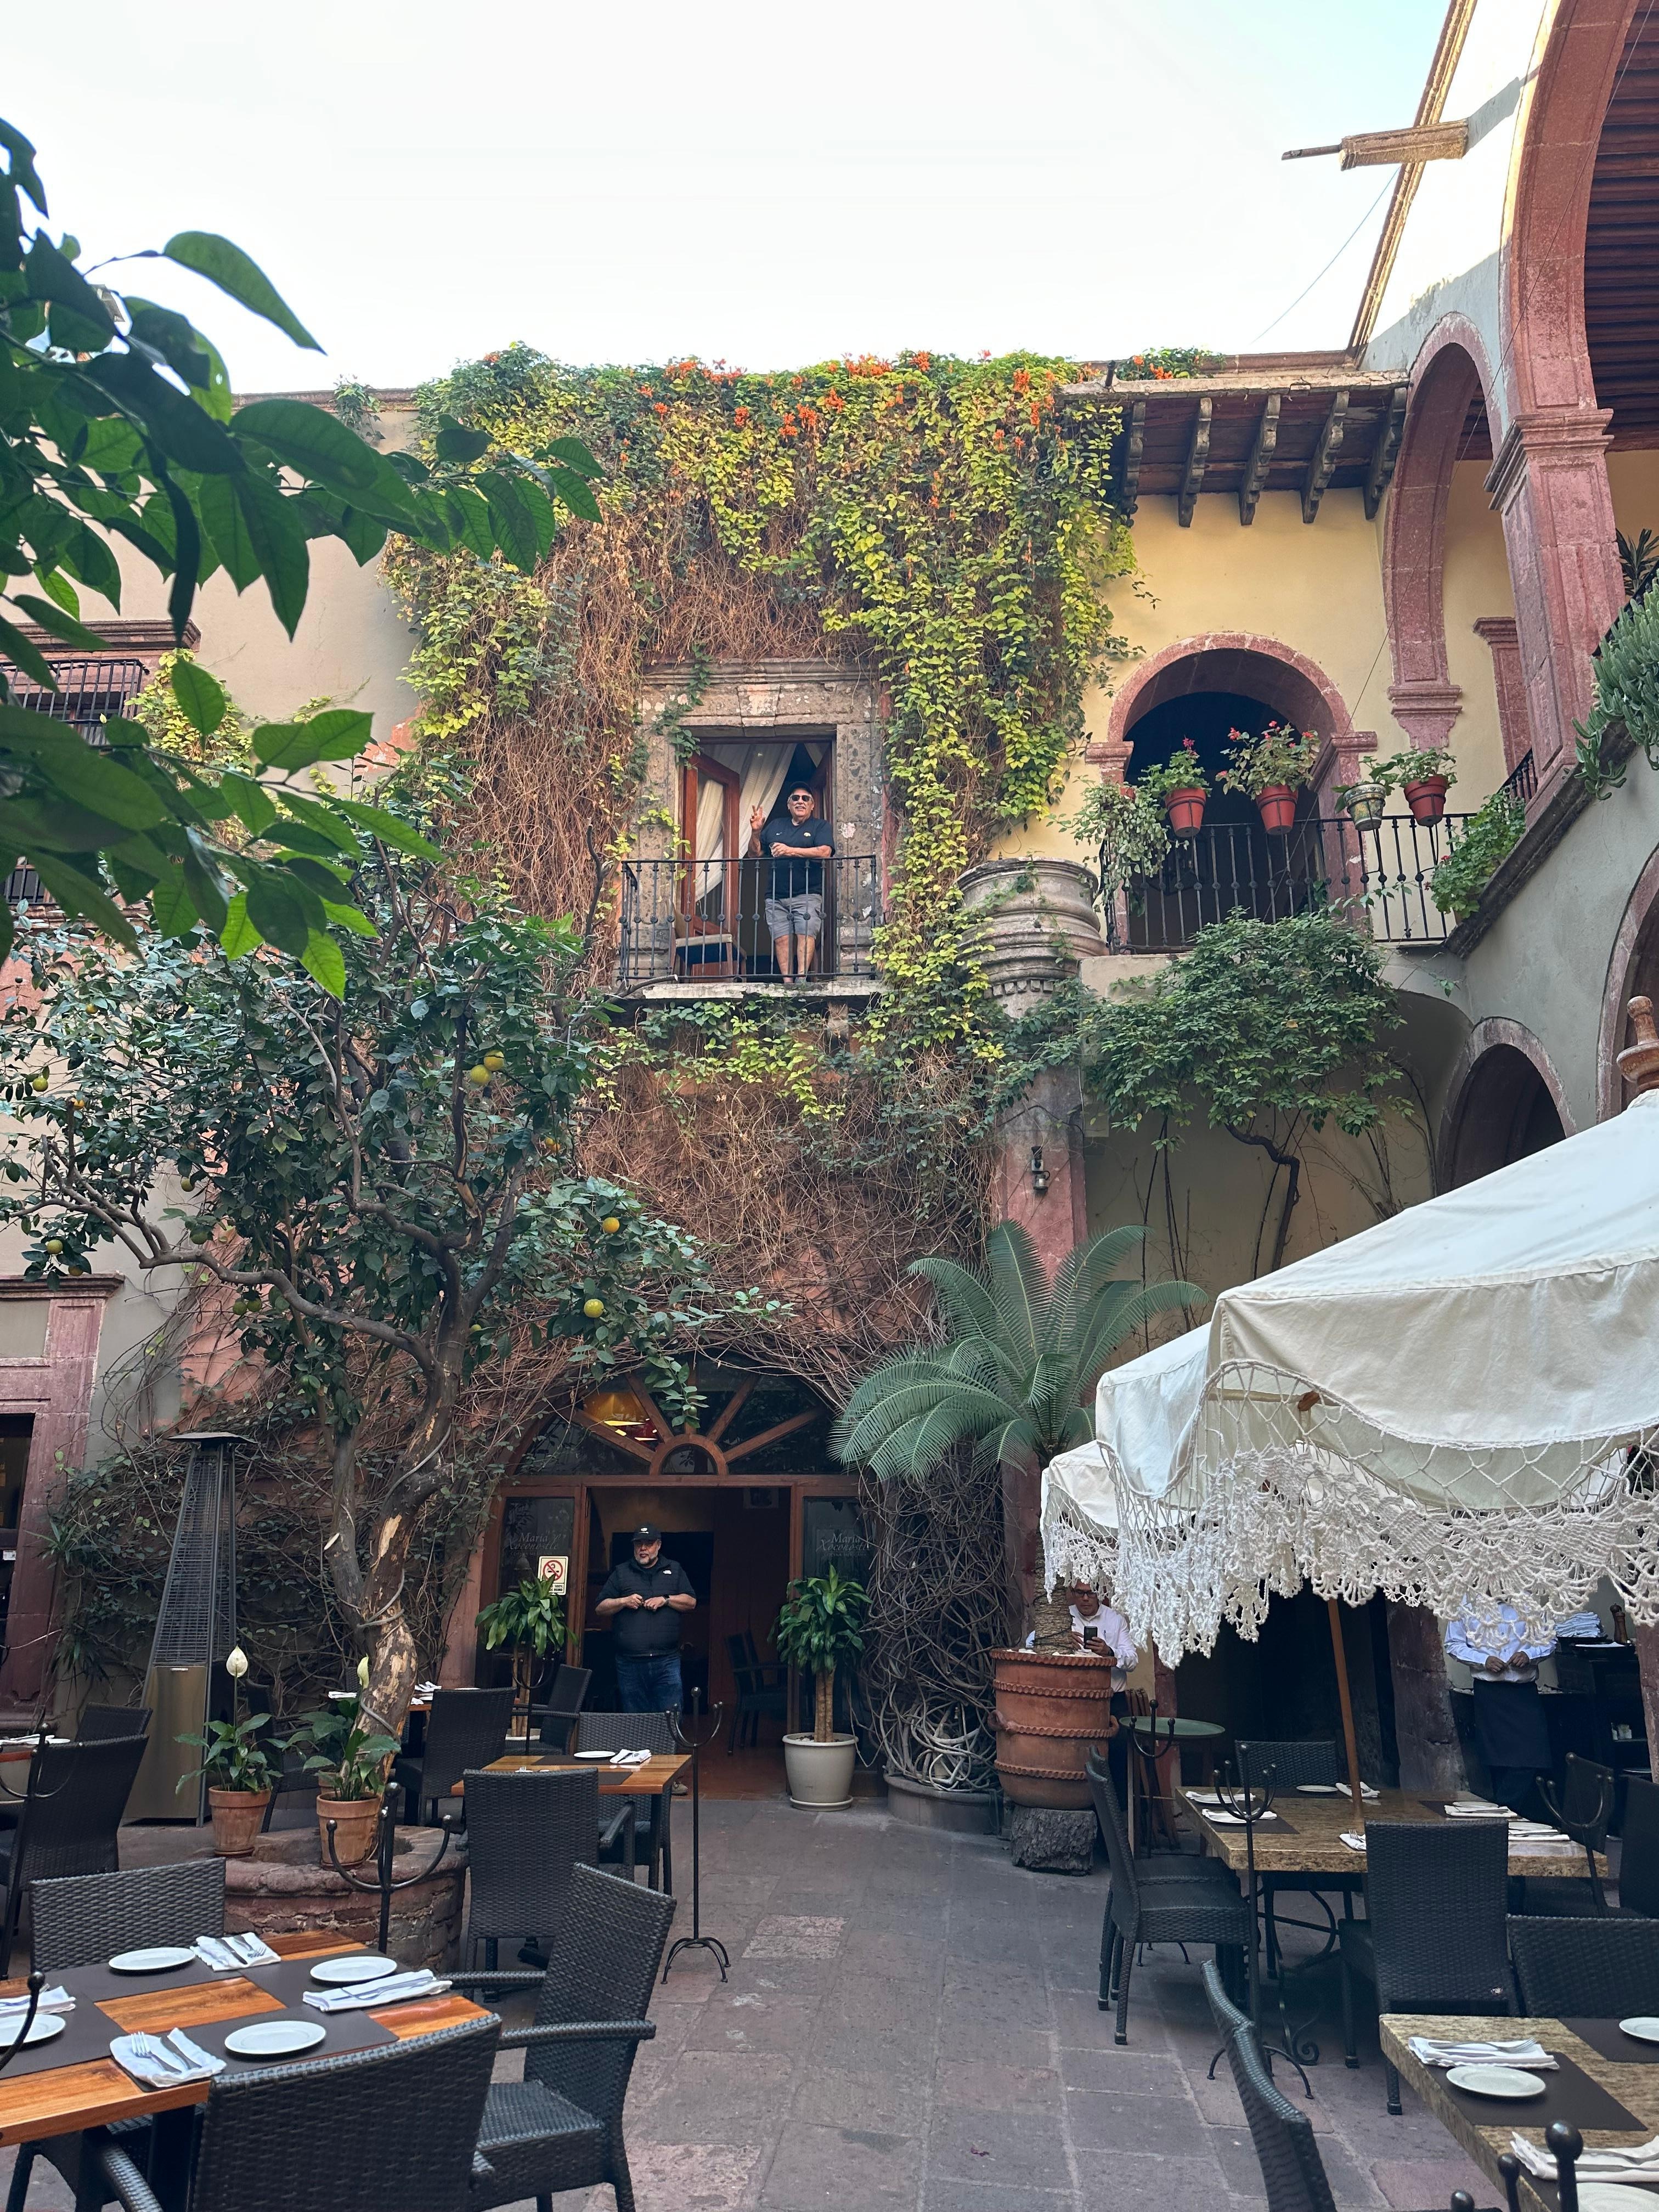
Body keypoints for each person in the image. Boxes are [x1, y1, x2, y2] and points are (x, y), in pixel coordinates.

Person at [1444, 1602, 1560, 1813]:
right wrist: (1483, 1660)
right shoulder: (1465, 1605)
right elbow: (1453, 1644)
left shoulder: (1529, 1601)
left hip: (1524, 1693)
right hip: (1489, 1694)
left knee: (1532, 1757)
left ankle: (1503, 1811)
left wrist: (1529, 1655)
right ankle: (1508, 1821)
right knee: (1498, 1762)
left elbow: (1549, 1641)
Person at [596, 1524, 697, 1713]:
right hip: (630, 1663)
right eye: (638, 1544)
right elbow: (600, 1608)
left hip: (667, 1661)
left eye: (648, 1544)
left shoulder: (674, 1570)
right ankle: (640, 1746)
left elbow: (691, 1602)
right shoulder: (621, 1572)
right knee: (635, 1720)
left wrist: (666, 1600)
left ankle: (668, 1745)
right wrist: (624, 1601)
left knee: (671, 1717)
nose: (643, 1549)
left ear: (658, 1545)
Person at [748, 784, 834, 979]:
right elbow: (754, 854)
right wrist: (756, 832)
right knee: (781, 939)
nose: (800, 802)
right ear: (789, 805)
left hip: (808, 893)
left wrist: (790, 851)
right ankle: (788, 983)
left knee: (806, 936)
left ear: (812, 805)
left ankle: (802, 980)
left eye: (806, 799)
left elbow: (825, 852)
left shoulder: (820, 826)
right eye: (795, 798)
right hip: (776, 895)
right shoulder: (777, 826)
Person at [1024, 1584, 1138, 1692]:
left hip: (1114, 1696)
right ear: (1073, 1592)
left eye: (1091, 1593)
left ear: (1098, 1593)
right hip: (1074, 1695)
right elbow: (1030, 1642)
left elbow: (1132, 1661)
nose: (1085, 1598)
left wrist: (1110, 1652)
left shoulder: (1116, 1619)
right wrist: (1059, 1638)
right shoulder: (1063, 1615)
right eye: (1080, 1592)